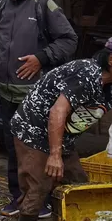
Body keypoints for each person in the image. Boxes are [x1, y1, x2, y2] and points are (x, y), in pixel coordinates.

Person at [0, 0, 78, 217]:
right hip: (6, 92)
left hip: (36, 95)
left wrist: (41, 58)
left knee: (35, 149)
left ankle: (40, 200)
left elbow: (69, 40)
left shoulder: (44, 6)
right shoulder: (1, 7)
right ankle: (18, 196)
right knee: (12, 147)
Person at [11, 49, 112, 221]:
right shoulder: (87, 74)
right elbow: (57, 111)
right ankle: (26, 215)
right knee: (39, 187)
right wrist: (55, 155)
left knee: (78, 182)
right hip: (33, 130)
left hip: (62, 136)